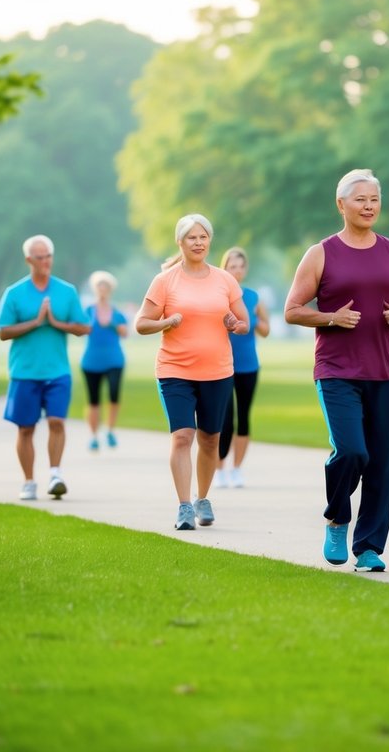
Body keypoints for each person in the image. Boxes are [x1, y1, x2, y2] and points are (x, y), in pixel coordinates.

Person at [284, 169, 389, 573]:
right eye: (360, 199)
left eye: (375, 199)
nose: (369, 206)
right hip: (337, 370)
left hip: (385, 370)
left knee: (382, 461)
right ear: (341, 204)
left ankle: (368, 548)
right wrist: (330, 318)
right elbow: (293, 310)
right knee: (351, 450)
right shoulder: (321, 253)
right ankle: (336, 517)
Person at [135, 214, 250, 531]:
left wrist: (234, 325)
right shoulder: (165, 281)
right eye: (191, 237)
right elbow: (141, 322)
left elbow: (243, 323)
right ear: (180, 242)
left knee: (211, 440)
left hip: (217, 372)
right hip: (175, 370)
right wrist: (165, 323)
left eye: (203, 237)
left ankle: (203, 498)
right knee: (183, 436)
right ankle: (184, 505)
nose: (198, 243)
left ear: (209, 241)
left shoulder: (224, 280)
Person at [0, 235, 91, 501]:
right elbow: (3, 331)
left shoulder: (66, 291)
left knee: (57, 422)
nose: (46, 261)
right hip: (24, 372)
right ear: (29, 260)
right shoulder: (15, 293)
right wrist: (36, 322)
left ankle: (55, 474)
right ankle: (28, 482)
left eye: (49, 255)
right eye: (40, 257)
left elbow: (84, 327)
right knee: (26, 428)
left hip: (58, 371)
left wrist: (57, 323)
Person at [215, 246, 270, 488]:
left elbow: (266, 331)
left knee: (243, 418)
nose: (236, 271)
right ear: (224, 268)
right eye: (232, 266)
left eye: (240, 266)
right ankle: (219, 470)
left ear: (245, 269)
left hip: (248, 365)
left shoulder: (253, 297)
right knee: (224, 420)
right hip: (222, 365)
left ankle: (236, 470)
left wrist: (254, 319)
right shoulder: (217, 295)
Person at [81, 270, 128, 451]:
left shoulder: (117, 312)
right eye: (99, 286)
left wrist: (112, 324)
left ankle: (110, 430)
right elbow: (81, 329)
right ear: (95, 289)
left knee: (114, 396)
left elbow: (125, 333)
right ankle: (93, 435)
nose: (102, 290)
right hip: (91, 361)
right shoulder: (88, 311)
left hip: (114, 360)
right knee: (93, 401)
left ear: (110, 290)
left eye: (106, 287)